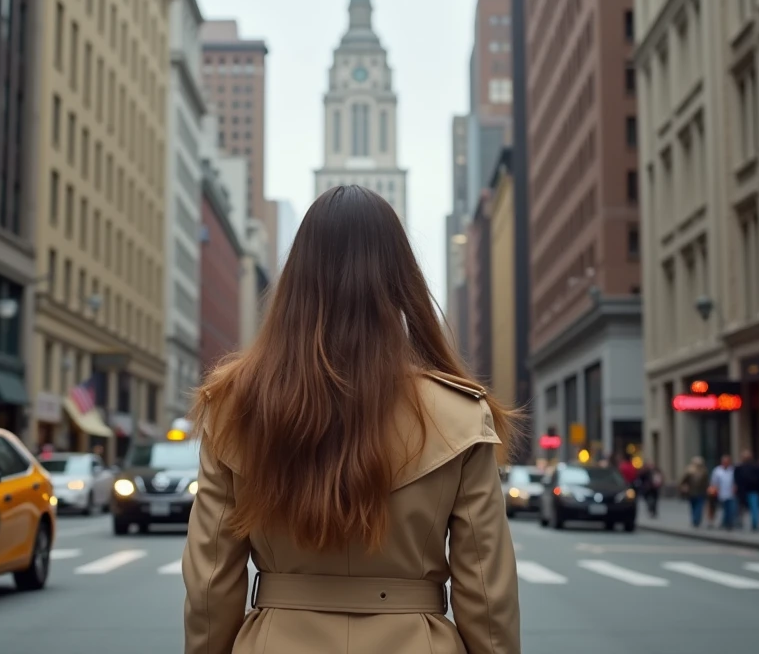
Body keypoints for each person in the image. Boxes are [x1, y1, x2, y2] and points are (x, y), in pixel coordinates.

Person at [182, 186, 521, 654]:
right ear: (401, 279)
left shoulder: (236, 407)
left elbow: (210, 583)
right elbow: (486, 592)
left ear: (296, 280)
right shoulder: (459, 415)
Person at [679, 456, 709, 529]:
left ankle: (695, 519)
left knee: (696, 506)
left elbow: (706, 483)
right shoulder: (692, 471)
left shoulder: (701, 471)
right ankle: (696, 519)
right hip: (695, 492)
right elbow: (683, 481)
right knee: (696, 506)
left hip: (697, 492)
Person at [710, 455, 737, 531]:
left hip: (731, 493)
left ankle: (729, 523)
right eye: (724, 462)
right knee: (723, 509)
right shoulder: (717, 471)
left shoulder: (732, 470)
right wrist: (715, 490)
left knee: (731, 509)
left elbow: (735, 481)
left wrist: (735, 488)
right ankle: (724, 523)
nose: (725, 463)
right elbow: (714, 482)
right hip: (721, 493)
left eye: (727, 462)